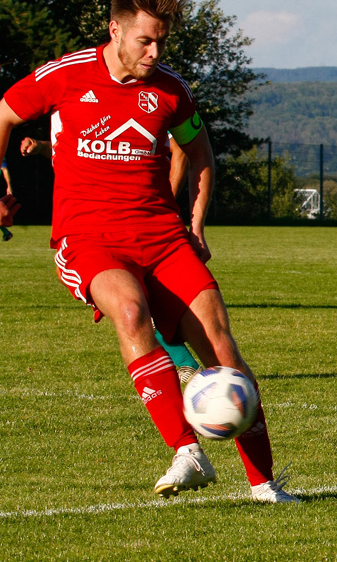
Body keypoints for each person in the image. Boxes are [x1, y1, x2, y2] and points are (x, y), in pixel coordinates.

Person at [0, 0, 296, 503]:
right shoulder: (64, 76)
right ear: (115, 30)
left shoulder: (171, 91)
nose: (155, 52)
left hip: (162, 238)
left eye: (162, 41)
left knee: (222, 352)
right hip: (88, 238)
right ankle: (188, 452)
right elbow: (3, 113)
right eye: (145, 41)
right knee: (131, 311)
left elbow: (199, 153)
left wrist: (195, 224)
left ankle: (265, 485)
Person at [22, 134, 202, 381]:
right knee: (124, 297)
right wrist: (42, 146)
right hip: (98, 220)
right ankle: (186, 363)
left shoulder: (146, 111)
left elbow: (180, 149)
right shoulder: (85, 118)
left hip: (137, 220)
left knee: (136, 300)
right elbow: (75, 149)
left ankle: (186, 364)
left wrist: (160, 203)